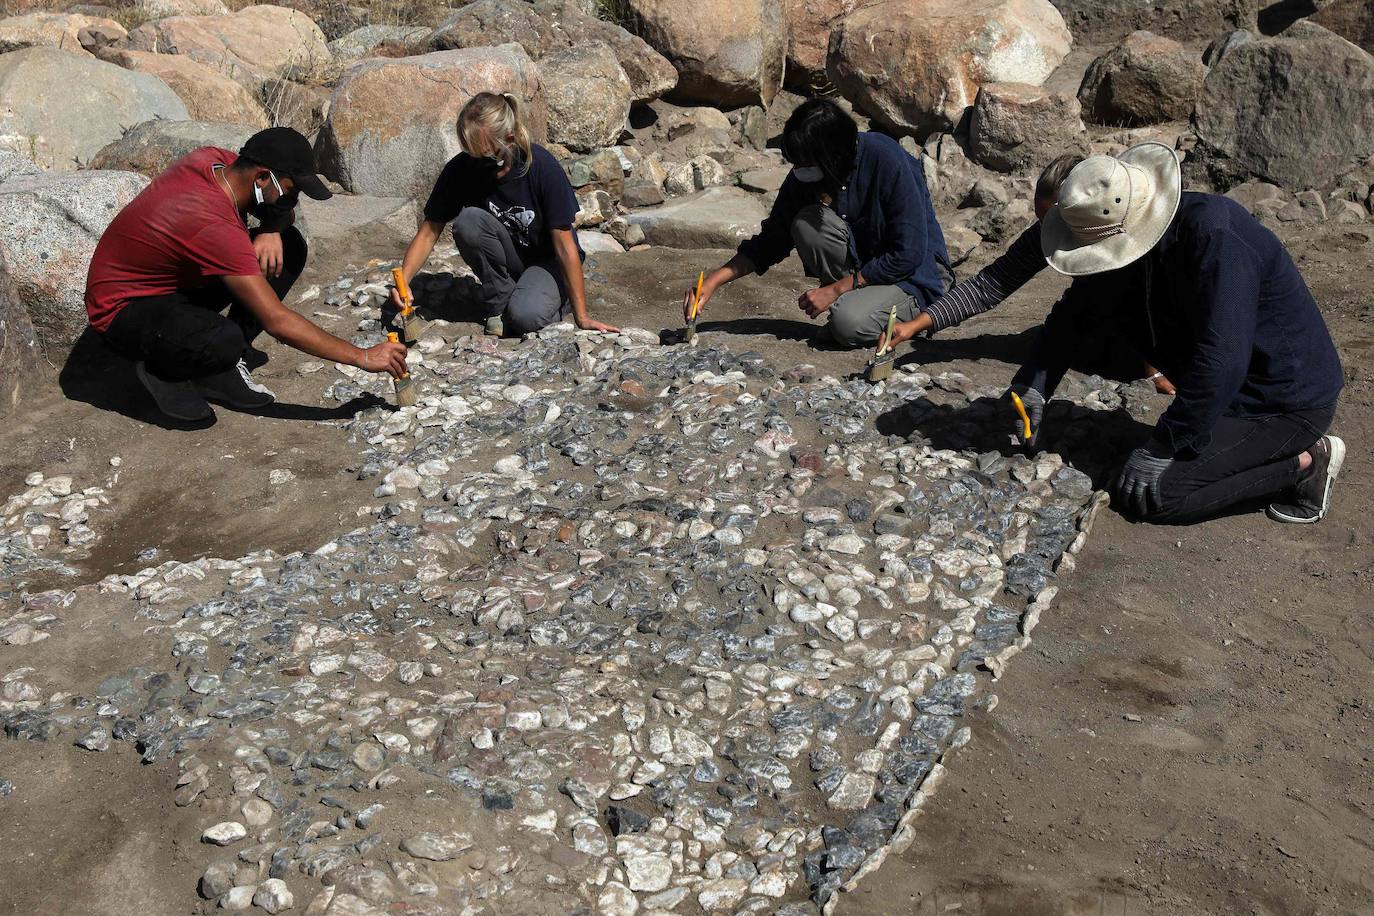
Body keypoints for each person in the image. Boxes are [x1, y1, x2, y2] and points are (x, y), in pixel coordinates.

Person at [1008, 142, 1345, 525]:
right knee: (1135, 467)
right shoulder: (1123, 237)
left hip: (1283, 402)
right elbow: (1075, 314)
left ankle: (1307, 462)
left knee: (1154, 496)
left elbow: (1224, 358)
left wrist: (1164, 443)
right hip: (1228, 393)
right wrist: (1034, 383)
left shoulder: (1216, 237)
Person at [85, 127, 408, 423]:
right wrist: (361, 356)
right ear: (262, 178)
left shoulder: (214, 161)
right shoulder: (213, 225)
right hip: (122, 313)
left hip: (170, 284)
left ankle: (220, 366)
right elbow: (277, 322)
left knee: (289, 245)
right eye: (292, 190)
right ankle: (164, 370)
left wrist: (270, 229)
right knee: (220, 338)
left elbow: (278, 210)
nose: (293, 200)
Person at [879, 153, 1175, 396]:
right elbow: (990, 285)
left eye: (1056, 223)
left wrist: (1153, 370)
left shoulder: (1139, 228)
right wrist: (917, 324)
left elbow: (1143, 295)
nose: (1050, 233)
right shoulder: (1051, 232)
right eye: (1044, 223)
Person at [682, 98, 951, 348]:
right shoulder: (807, 175)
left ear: (832, 157)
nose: (797, 170)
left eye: (804, 163)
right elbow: (772, 240)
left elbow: (909, 254)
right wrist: (714, 281)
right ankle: (854, 307)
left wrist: (834, 289)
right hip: (865, 273)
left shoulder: (887, 160)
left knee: (848, 324)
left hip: (913, 277)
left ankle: (890, 315)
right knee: (806, 224)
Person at [394, 92, 616, 338]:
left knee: (526, 317)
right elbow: (429, 232)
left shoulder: (541, 167)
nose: (479, 164)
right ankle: (500, 304)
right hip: (511, 259)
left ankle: (552, 300)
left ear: (509, 140)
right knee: (468, 222)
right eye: (471, 154)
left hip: (548, 261)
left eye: (487, 155)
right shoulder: (462, 169)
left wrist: (581, 316)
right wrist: (404, 281)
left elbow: (564, 247)